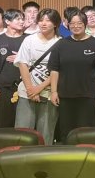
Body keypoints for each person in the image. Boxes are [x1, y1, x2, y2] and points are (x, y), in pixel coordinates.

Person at [49, 9, 95, 142]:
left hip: (87, 95)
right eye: (72, 24)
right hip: (65, 95)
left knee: (87, 132)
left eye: (79, 23)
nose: (76, 26)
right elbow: (54, 70)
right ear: (68, 25)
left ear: (85, 24)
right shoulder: (61, 44)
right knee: (67, 132)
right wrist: (54, 92)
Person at [14, 8, 62, 144]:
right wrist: (31, 90)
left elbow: (58, 70)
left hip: (49, 94)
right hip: (26, 92)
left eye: (48, 20)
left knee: (46, 134)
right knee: (22, 133)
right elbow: (22, 64)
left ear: (55, 23)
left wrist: (39, 89)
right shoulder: (29, 40)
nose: (43, 23)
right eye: (41, 20)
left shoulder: (61, 42)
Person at [0, 9, 26, 128]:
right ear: (7, 21)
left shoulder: (28, 39)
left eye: (22, 19)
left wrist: (20, 57)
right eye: (18, 19)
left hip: (25, 85)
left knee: (24, 121)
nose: (21, 21)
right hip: (5, 86)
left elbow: (36, 61)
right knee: (5, 120)